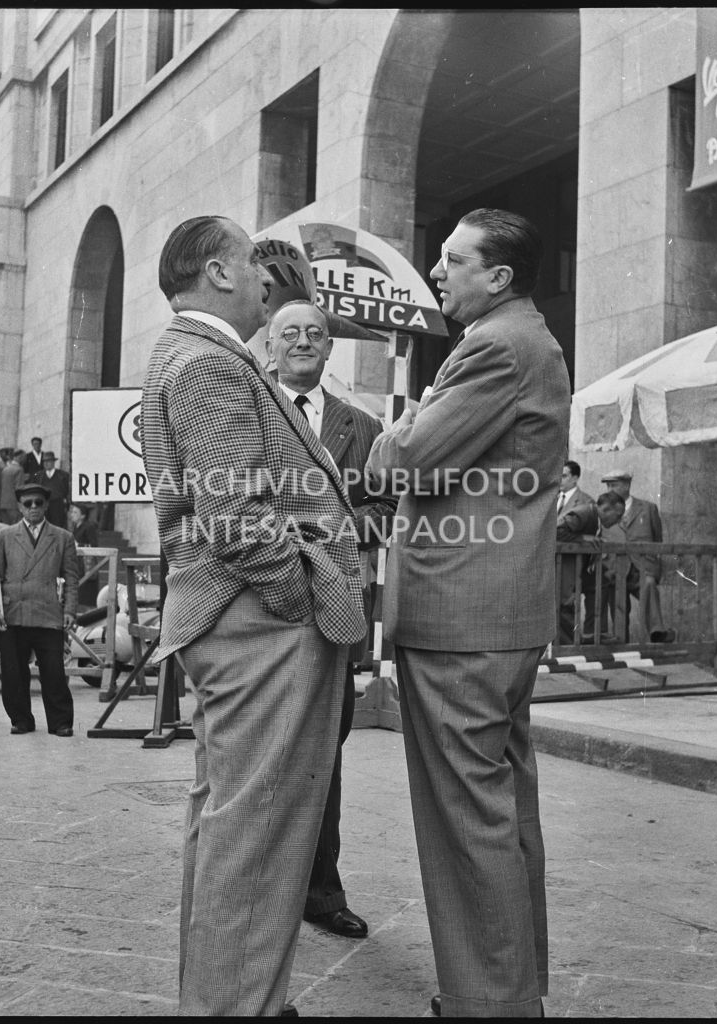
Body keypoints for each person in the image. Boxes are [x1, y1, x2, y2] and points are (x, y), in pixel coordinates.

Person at [141, 215, 365, 1016]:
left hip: (237, 621)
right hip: (258, 625)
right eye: (249, 261)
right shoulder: (207, 363)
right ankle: (240, 1004)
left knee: (232, 824)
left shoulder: (202, 355)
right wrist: (296, 595)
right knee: (259, 833)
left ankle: (227, 995)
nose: (266, 279)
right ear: (218, 273)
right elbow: (234, 512)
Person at [365, 207, 569, 1017]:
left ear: (499, 277)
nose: (437, 270)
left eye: (453, 260)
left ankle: (486, 1001)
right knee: (501, 811)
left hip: (461, 618)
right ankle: (512, 989)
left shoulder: (490, 346)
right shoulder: (529, 340)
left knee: (466, 819)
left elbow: (401, 462)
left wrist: (406, 415)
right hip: (498, 616)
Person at [265, 299, 397, 942]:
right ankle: (261, 893)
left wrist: (336, 531)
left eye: (315, 334)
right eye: (290, 332)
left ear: (329, 348)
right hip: (260, 608)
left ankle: (320, 893)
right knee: (257, 753)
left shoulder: (362, 425)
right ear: (270, 341)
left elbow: (384, 505)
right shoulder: (248, 408)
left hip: (334, 614)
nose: (302, 342)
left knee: (325, 754)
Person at [0, 481, 79, 737]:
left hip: (48, 614)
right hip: (13, 614)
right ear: (19, 507)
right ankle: (21, 719)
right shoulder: (4, 537)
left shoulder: (62, 538)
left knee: (54, 671)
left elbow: (71, 578)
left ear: (47, 505)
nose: (34, 508)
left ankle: (60, 722)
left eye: (39, 502)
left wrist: (70, 610)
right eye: (28, 503)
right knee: (14, 673)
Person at [600, 469, 674, 644]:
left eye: (614, 485)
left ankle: (657, 632)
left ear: (627, 485)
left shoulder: (648, 509)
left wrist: (654, 568)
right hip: (615, 569)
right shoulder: (603, 510)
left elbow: (658, 540)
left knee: (648, 585)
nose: (610, 489)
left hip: (642, 568)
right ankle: (621, 643)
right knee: (618, 607)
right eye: (608, 485)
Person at [555, 460, 595, 644]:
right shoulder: (552, 499)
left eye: (564, 475)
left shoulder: (586, 501)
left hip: (572, 561)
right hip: (551, 559)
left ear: (576, 478)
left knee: (566, 602)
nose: (559, 480)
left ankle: (568, 643)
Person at [67, 501, 100, 607]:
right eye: (72, 512)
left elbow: (94, 545)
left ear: (83, 515)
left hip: (87, 566)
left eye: (75, 512)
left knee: (87, 593)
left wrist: (78, 544)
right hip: (77, 564)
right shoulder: (76, 527)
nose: (72, 514)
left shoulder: (88, 527)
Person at [0, 447, 25, 525]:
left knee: (6, 527)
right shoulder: (19, 469)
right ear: (19, 457)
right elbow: (19, 489)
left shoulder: (5, 469)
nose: (24, 460)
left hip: (3, 504)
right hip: (14, 505)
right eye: (23, 457)